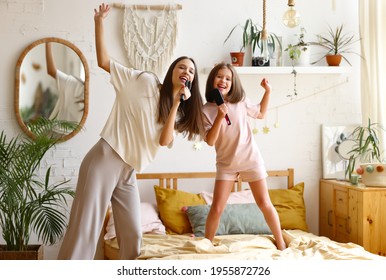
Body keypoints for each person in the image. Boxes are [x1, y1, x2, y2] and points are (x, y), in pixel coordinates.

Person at [57, 3, 204, 260]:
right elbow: (103, 61)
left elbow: (164, 139)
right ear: (172, 71)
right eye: (181, 67)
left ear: (192, 81)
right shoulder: (144, 81)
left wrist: (178, 102)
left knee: (132, 235)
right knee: (86, 229)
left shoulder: (177, 113)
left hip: (128, 170)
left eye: (191, 71)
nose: (186, 72)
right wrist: (99, 22)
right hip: (106, 157)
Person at [202, 62, 286, 250]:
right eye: (219, 76)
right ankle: (206, 244)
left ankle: (281, 243)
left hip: (250, 160)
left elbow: (262, 113)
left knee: (264, 203)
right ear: (212, 80)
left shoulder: (240, 102)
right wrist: (219, 115)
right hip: (226, 164)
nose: (223, 80)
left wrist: (268, 91)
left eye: (228, 78)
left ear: (233, 83)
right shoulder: (206, 110)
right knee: (216, 208)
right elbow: (210, 140)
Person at [45, 42, 85, 124]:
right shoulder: (76, 85)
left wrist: (48, 42)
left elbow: (51, 71)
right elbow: (51, 71)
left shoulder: (76, 85)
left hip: (58, 132)